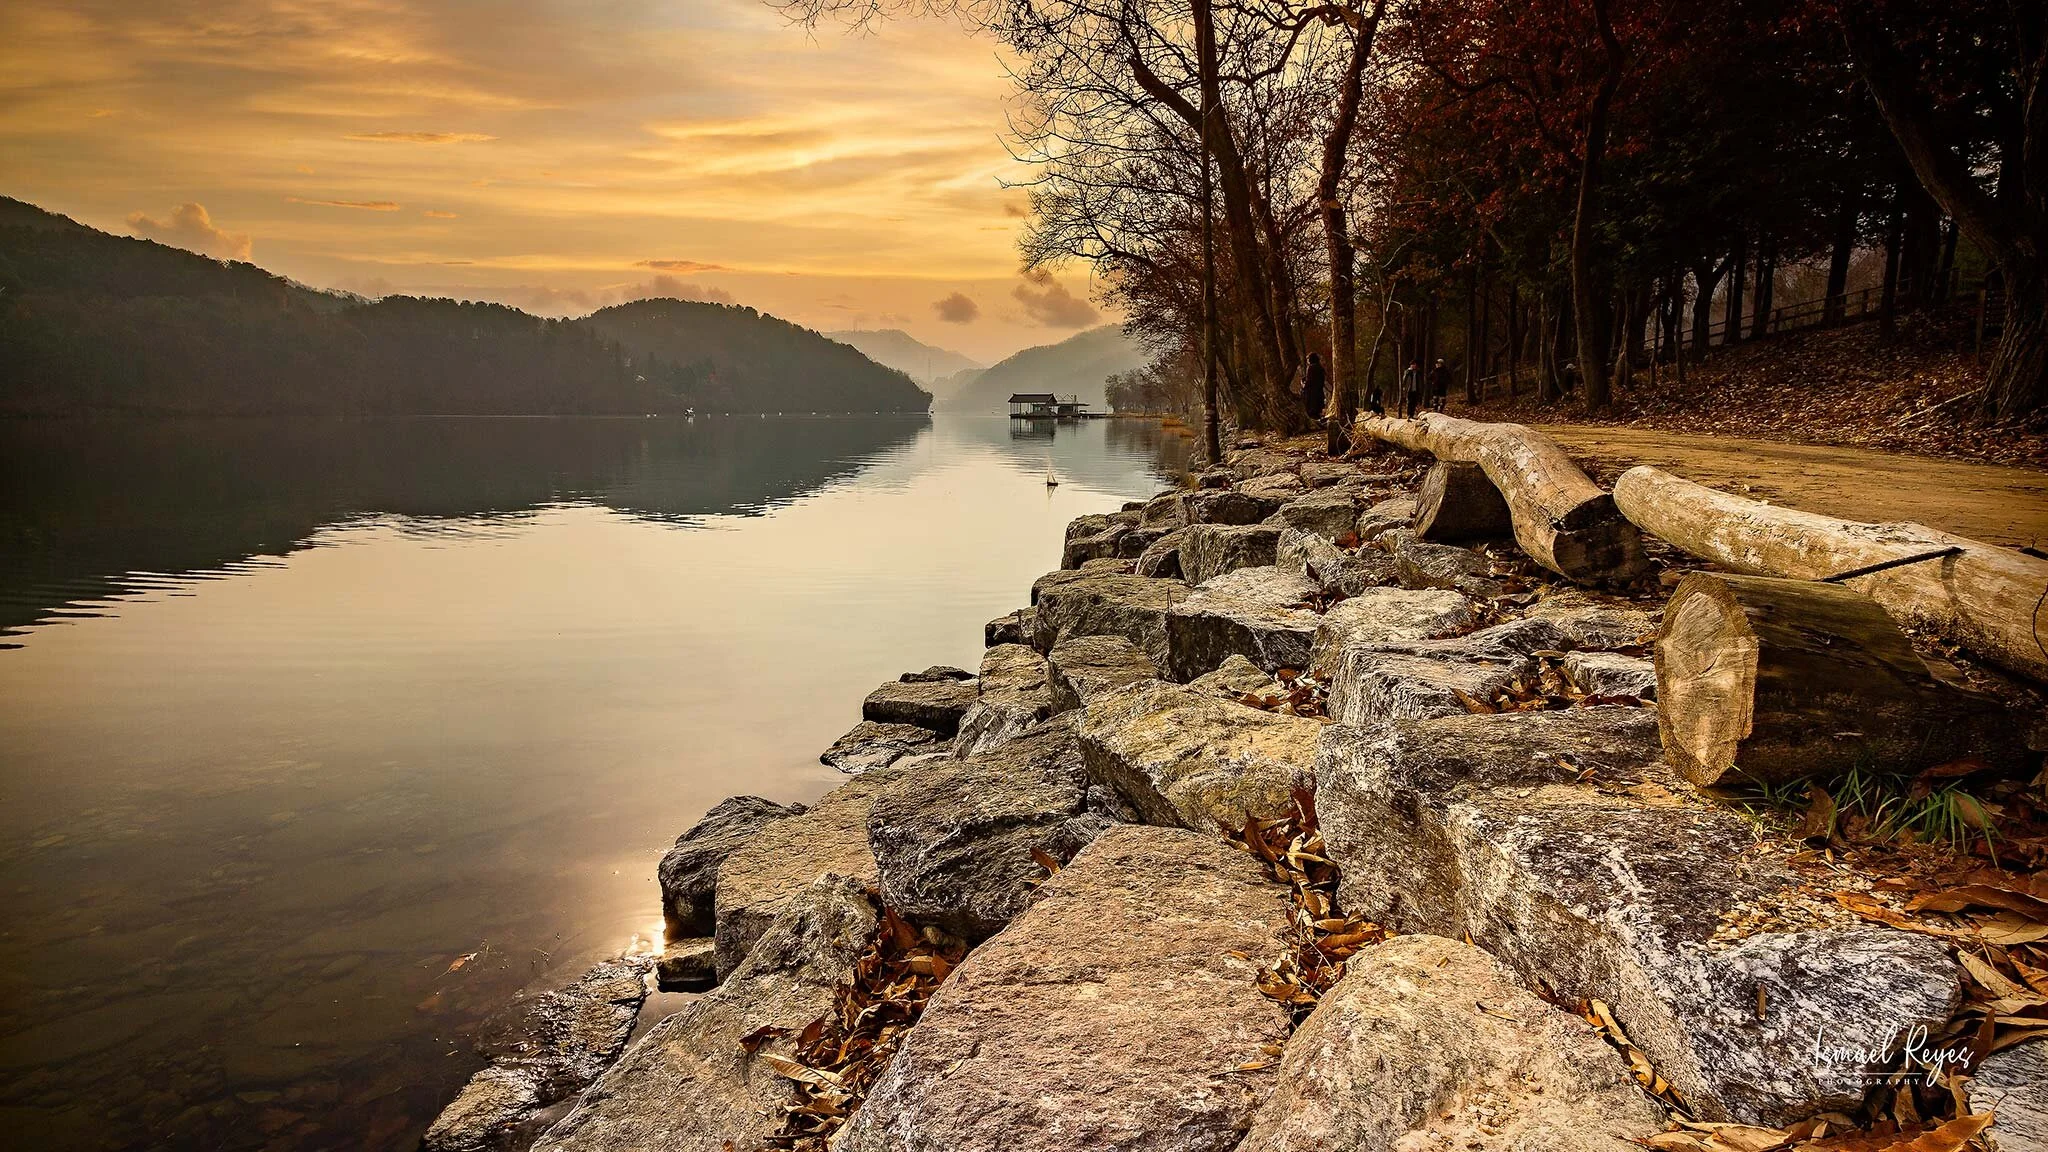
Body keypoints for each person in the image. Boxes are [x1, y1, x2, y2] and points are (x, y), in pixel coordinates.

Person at [1301, 351, 1326, 425]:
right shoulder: (1320, 368)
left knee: (1311, 410)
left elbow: (1309, 381)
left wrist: (1303, 384)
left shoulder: (1311, 368)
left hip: (1311, 393)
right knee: (1317, 410)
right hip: (1319, 391)